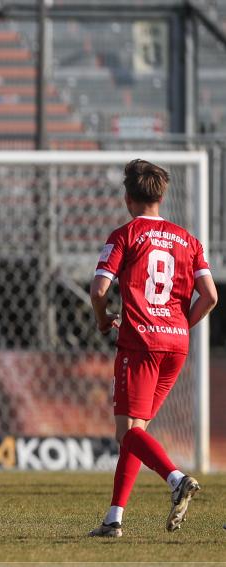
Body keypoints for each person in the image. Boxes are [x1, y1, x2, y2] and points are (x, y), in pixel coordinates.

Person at [88, 159, 217, 537]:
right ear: (161, 196)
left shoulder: (124, 235)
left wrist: (101, 319)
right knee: (136, 431)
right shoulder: (188, 240)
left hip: (140, 343)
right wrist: (178, 326)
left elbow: (98, 290)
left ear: (128, 198)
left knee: (126, 433)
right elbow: (209, 296)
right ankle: (113, 519)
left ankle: (175, 479)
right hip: (176, 345)